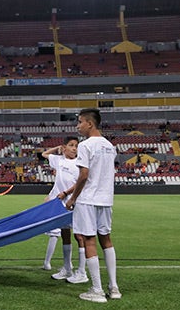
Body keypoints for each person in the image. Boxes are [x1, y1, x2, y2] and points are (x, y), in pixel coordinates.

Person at [66, 108, 121, 303]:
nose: (77, 126)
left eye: (80, 122)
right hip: (106, 198)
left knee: (88, 240)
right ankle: (114, 287)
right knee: (106, 239)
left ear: (90, 123)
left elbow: (84, 175)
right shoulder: (109, 146)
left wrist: (72, 198)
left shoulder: (86, 145)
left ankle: (97, 290)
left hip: (88, 199)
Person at [41, 137, 88, 284]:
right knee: (65, 234)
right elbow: (44, 154)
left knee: (79, 236)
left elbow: (81, 181)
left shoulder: (79, 163)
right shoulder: (59, 160)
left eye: (76, 146)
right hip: (61, 203)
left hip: (75, 201)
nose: (74, 148)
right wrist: (57, 148)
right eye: (71, 145)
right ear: (65, 147)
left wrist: (67, 194)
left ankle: (82, 271)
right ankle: (67, 268)